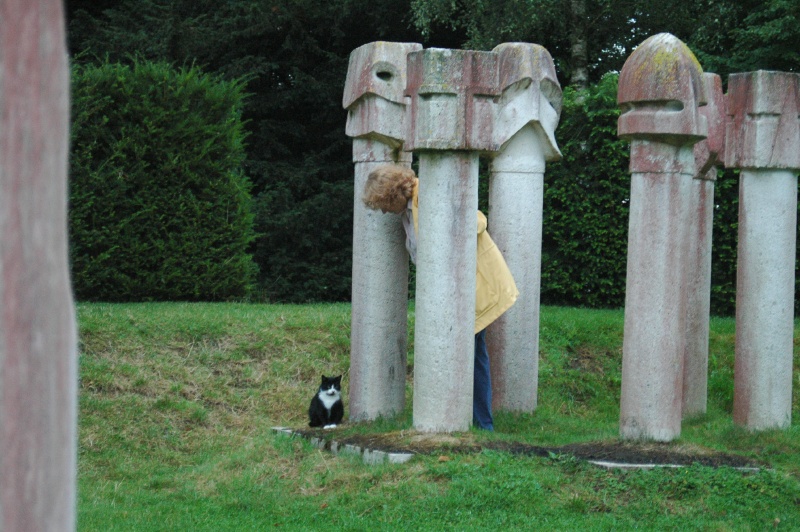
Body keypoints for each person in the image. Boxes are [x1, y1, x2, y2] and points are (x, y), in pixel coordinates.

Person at [362, 164, 518, 430]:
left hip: (472, 285)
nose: (383, 211)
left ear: (391, 194)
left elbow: (476, 220)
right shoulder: (408, 211)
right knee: (470, 353)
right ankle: (472, 421)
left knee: (473, 353)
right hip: (450, 292)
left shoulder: (429, 192)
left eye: (382, 204)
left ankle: (480, 423)